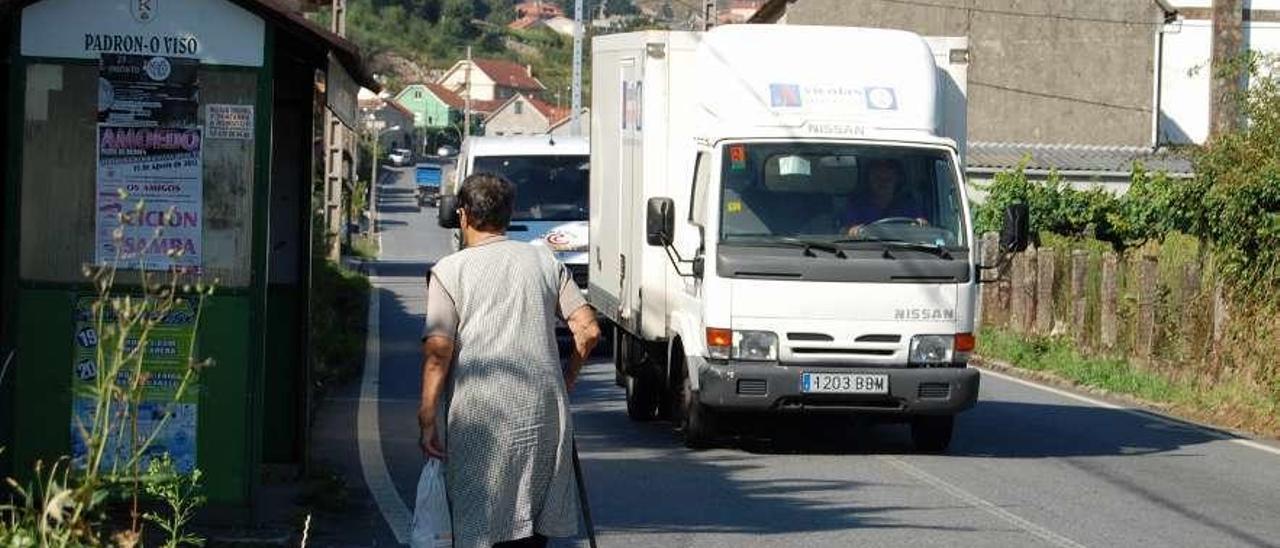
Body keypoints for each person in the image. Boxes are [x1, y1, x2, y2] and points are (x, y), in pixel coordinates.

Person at [419, 173, 602, 548]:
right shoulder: (543, 260)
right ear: (508, 214)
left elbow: (439, 350)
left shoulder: (450, 271)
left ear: (464, 215)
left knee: (479, 524)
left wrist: (427, 416)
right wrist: (567, 378)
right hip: (542, 411)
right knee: (531, 524)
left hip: (480, 415)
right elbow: (588, 330)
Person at [842, 158, 927, 237]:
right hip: (865, 249)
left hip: (905, 249)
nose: (883, 183)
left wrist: (922, 225)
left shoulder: (908, 205)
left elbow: (924, 228)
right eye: (878, 178)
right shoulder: (857, 205)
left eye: (888, 179)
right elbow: (844, 231)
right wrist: (852, 231)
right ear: (868, 180)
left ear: (897, 181)